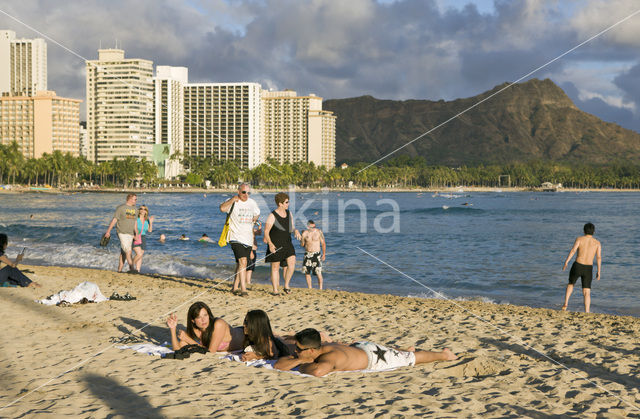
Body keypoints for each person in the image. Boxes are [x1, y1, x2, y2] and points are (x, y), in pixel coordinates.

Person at [274, 328, 457, 377]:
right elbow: (279, 364)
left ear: (312, 350)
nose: (295, 351)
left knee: (410, 359)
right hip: (359, 347)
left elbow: (317, 371)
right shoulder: (316, 351)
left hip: (373, 357)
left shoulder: (329, 358)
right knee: (398, 353)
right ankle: (401, 350)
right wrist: (297, 360)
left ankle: (444, 355)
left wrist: (298, 362)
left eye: (299, 349)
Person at [219, 183, 260, 296]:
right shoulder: (232, 201)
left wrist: (254, 221)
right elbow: (222, 208)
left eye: (248, 192)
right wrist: (232, 199)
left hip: (247, 238)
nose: (246, 195)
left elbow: (257, 214)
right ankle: (243, 289)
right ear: (238, 191)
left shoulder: (252, 203)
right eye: (243, 192)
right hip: (235, 237)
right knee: (243, 261)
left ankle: (234, 287)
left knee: (240, 264)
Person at [166, 301, 245, 353]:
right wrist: (173, 329)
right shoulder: (195, 330)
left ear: (209, 315)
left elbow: (210, 352)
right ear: (193, 320)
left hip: (249, 336)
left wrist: (187, 339)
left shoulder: (218, 324)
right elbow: (177, 349)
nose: (203, 320)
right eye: (199, 317)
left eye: (205, 315)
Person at [264, 192, 301, 295]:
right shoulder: (272, 215)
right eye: (286, 202)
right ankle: (275, 290)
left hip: (287, 244)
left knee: (292, 264)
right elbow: (266, 231)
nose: (288, 204)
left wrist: (296, 231)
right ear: (280, 204)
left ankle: (286, 285)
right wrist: (270, 244)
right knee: (275, 268)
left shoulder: (289, 213)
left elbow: (292, 227)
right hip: (275, 245)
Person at [562, 222, 602, 313]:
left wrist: (566, 262)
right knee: (586, 291)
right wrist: (599, 271)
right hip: (588, 268)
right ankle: (587, 311)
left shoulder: (579, 239)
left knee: (571, 284)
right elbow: (598, 257)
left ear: (584, 231)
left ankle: (566, 303)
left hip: (577, 265)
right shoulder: (597, 243)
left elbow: (573, 250)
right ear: (594, 232)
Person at [104, 194, 138, 273]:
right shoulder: (121, 208)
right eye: (135, 199)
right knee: (128, 251)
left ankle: (119, 270)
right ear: (130, 199)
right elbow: (115, 220)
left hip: (131, 233)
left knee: (124, 252)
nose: (136, 201)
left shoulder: (135, 209)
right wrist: (108, 231)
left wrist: (136, 234)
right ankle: (132, 269)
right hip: (122, 232)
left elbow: (135, 223)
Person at [300, 220, 326, 289]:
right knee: (307, 272)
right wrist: (302, 238)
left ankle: (320, 288)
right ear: (308, 226)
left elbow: (323, 244)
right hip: (307, 254)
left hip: (316, 254)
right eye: (311, 227)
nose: (313, 228)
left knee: (318, 272)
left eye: (314, 227)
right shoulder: (305, 233)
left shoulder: (319, 232)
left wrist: (324, 254)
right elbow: (302, 244)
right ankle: (310, 288)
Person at [132, 205, 154, 272]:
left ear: (146, 211)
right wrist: (134, 237)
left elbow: (149, 231)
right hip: (135, 236)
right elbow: (130, 229)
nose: (143, 210)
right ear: (139, 210)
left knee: (141, 255)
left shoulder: (147, 220)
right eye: (141, 208)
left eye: (145, 209)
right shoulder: (135, 218)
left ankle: (138, 270)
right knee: (139, 254)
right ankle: (131, 266)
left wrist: (150, 222)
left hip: (143, 237)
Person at [245, 221, 262, 288]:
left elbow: (259, 233)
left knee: (250, 267)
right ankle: (245, 281)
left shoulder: (252, 230)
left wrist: (259, 226)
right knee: (247, 267)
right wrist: (250, 251)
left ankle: (248, 281)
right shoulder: (247, 231)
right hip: (250, 250)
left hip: (253, 250)